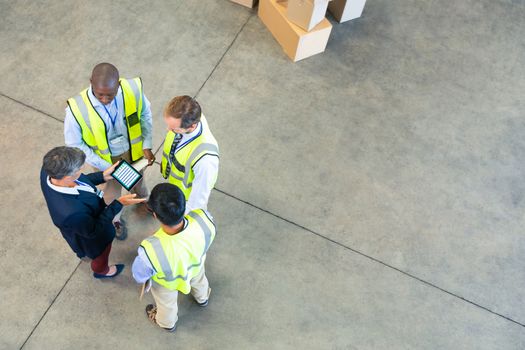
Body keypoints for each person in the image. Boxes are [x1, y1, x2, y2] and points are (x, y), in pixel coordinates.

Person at [64, 62, 154, 240]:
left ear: (118, 84)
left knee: (138, 180)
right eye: (100, 95)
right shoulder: (76, 109)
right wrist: (107, 166)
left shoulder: (132, 91)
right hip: (105, 160)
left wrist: (147, 144)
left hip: (133, 152)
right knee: (111, 195)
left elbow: (145, 114)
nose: (104, 100)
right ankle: (115, 221)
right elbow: (75, 144)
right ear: (91, 82)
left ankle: (145, 200)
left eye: (110, 96)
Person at [40, 146, 146, 278]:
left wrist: (102, 176)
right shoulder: (72, 213)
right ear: (67, 177)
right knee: (101, 256)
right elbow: (93, 231)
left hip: (84, 220)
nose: (81, 170)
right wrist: (118, 204)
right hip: (94, 239)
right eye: (79, 169)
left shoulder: (48, 170)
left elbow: (81, 180)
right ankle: (102, 271)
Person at [132, 183, 216, 331]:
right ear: (184, 203)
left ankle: (167, 323)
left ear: (155, 215)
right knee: (199, 280)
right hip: (196, 266)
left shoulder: (149, 250)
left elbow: (139, 275)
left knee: (166, 304)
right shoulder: (204, 218)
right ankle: (203, 298)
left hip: (167, 283)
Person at [160, 95, 219, 214]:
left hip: (186, 200)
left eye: (174, 129)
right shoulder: (191, 114)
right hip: (176, 188)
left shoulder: (205, 160)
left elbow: (198, 202)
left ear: (192, 126)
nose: (168, 130)